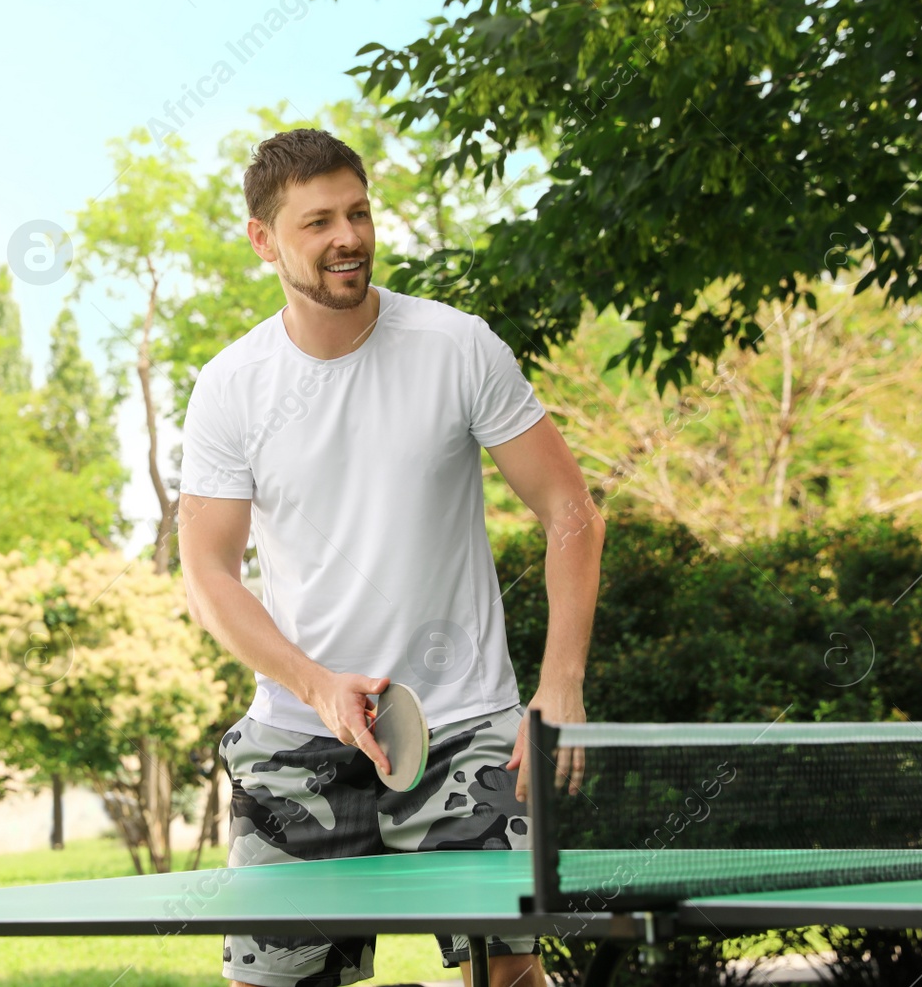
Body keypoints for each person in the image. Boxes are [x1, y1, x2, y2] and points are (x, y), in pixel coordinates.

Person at [178, 129, 603, 987]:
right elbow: (210, 576)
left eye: (359, 212)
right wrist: (314, 684)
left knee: (510, 977)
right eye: (319, 221)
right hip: (299, 732)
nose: (349, 237)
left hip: (465, 725)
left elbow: (571, 513)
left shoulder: (456, 346)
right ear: (264, 240)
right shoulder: (232, 384)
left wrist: (559, 687)